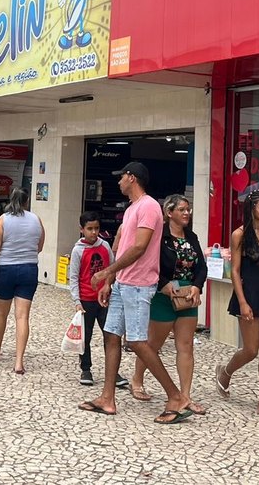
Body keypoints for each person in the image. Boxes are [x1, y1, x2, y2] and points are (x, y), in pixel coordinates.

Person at [79, 162, 191, 423]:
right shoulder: (131, 209)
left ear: (132, 177)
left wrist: (106, 272)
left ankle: (175, 396)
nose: (118, 182)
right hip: (123, 283)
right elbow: (123, 247)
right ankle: (107, 397)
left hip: (139, 284)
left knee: (137, 341)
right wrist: (111, 280)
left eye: (122, 177)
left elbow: (140, 247)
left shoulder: (149, 207)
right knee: (111, 335)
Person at [130, 194, 209, 414]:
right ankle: (137, 379)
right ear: (169, 212)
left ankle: (185, 395)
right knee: (153, 344)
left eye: (188, 209)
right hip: (164, 294)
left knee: (186, 346)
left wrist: (197, 286)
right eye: (182, 209)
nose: (186, 213)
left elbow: (201, 266)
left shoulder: (191, 237)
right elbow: (150, 263)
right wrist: (163, 284)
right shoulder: (160, 237)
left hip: (187, 295)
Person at [217, 191, 259, 422]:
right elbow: (235, 271)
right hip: (247, 295)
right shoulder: (239, 235)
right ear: (252, 209)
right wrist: (243, 302)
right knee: (250, 350)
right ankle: (225, 372)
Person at [0, 188, 45, 375]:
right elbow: (39, 246)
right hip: (29, 269)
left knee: (1, 313)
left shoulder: (3, 219)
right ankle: (19, 362)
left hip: (7, 270)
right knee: (22, 316)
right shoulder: (36, 220)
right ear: (27, 202)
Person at [68, 211, 127, 387]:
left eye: (96, 228)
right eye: (89, 229)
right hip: (86, 300)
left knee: (110, 335)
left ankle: (113, 371)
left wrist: (110, 287)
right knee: (85, 337)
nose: (93, 232)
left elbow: (111, 268)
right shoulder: (78, 250)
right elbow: (74, 277)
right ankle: (86, 368)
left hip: (106, 299)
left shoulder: (105, 246)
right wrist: (77, 301)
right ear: (81, 229)